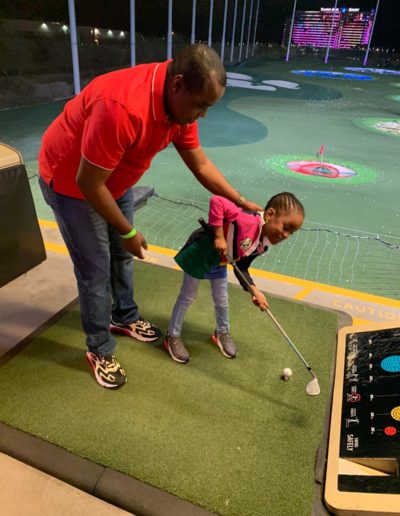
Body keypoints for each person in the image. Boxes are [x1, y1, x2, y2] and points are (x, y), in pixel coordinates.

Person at [38, 43, 262, 389]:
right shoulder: (123, 107)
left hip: (113, 178)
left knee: (122, 259)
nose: (202, 115)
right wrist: (127, 232)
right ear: (178, 85)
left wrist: (240, 200)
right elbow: (88, 182)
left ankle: (123, 316)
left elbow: (199, 163)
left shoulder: (180, 107)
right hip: (72, 182)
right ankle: (99, 349)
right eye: (201, 106)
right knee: (95, 271)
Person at [164, 192, 304, 363]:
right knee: (187, 296)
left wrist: (253, 289)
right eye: (286, 227)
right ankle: (172, 335)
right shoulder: (246, 220)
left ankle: (222, 332)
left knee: (222, 299)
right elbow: (217, 201)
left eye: (292, 232)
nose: (286, 235)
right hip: (202, 253)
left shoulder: (262, 244)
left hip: (221, 260)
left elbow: (241, 266)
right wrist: (218, 236)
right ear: (269, 215)